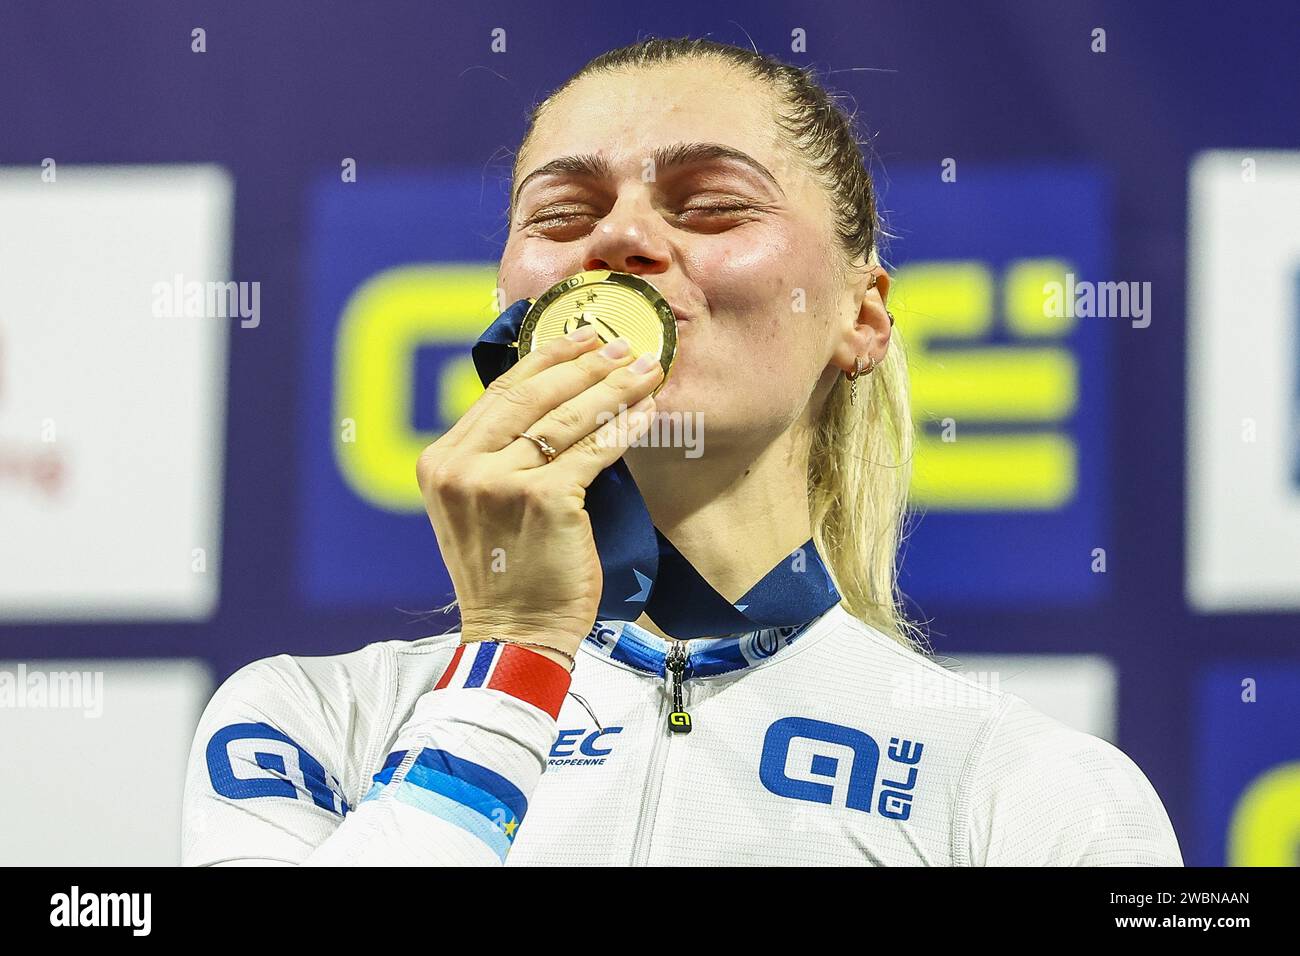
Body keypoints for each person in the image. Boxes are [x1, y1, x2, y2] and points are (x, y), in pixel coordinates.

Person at [182, 37, 1183, 866]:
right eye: (562, 215)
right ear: (514, 311)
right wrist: (515, 649)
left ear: (861, 312)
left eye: (710, 205)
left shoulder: (1036, 793)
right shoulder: (313, 719)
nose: (619, 240)